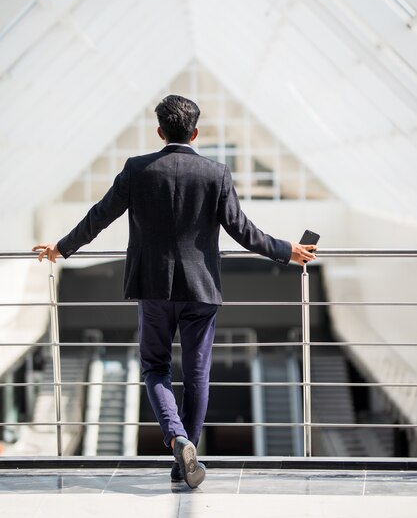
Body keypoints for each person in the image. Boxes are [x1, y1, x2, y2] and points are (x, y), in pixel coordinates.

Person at [33, 95, 316, 488]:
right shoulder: (216, 173)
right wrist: (287, 250)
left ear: (160, 132)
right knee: (198, 374)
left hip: (153, 288)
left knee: (155, 368)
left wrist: (61, 248)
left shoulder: (137, 169)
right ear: (196, 132)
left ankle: (176, 437)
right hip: (201, 289)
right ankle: (187, 456)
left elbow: (98, 216)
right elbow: (243, 231)